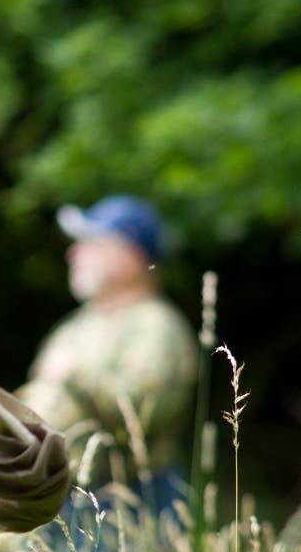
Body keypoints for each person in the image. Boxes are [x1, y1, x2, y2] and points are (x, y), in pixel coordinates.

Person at [17, 194, 199, 517]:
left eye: (90, 244)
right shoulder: (77, 323)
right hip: (56, 498)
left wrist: (75, 373)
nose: (74, 254)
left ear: (129, 256)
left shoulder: (156, 325)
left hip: (118, 505)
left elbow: (144, 411)